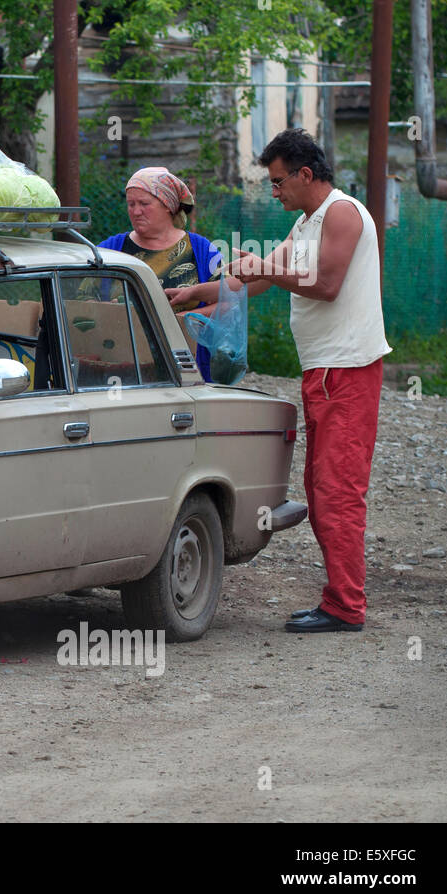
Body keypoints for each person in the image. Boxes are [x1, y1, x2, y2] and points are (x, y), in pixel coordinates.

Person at [167, 129, 391, 634]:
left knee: (337, 491)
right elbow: (264, 279)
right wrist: (193, 294)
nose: (274, 191)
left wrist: (264, 264)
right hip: (323, 370)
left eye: (277, 181)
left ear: (305, 174)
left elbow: (327, 285)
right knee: (319, 485)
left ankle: (345, 607)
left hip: (347, 369)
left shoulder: (342, 213)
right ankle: (340, 599)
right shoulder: (308, 220)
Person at [99, 167, 224, 380]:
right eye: (131, 204)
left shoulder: (201, 250)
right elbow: (79, 302)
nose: (136, 211)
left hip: (188, 367)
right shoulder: (110, 250)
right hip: (122, 368)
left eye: (144, 204)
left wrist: (181, 320)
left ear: (168, 205)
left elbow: (228, 302)